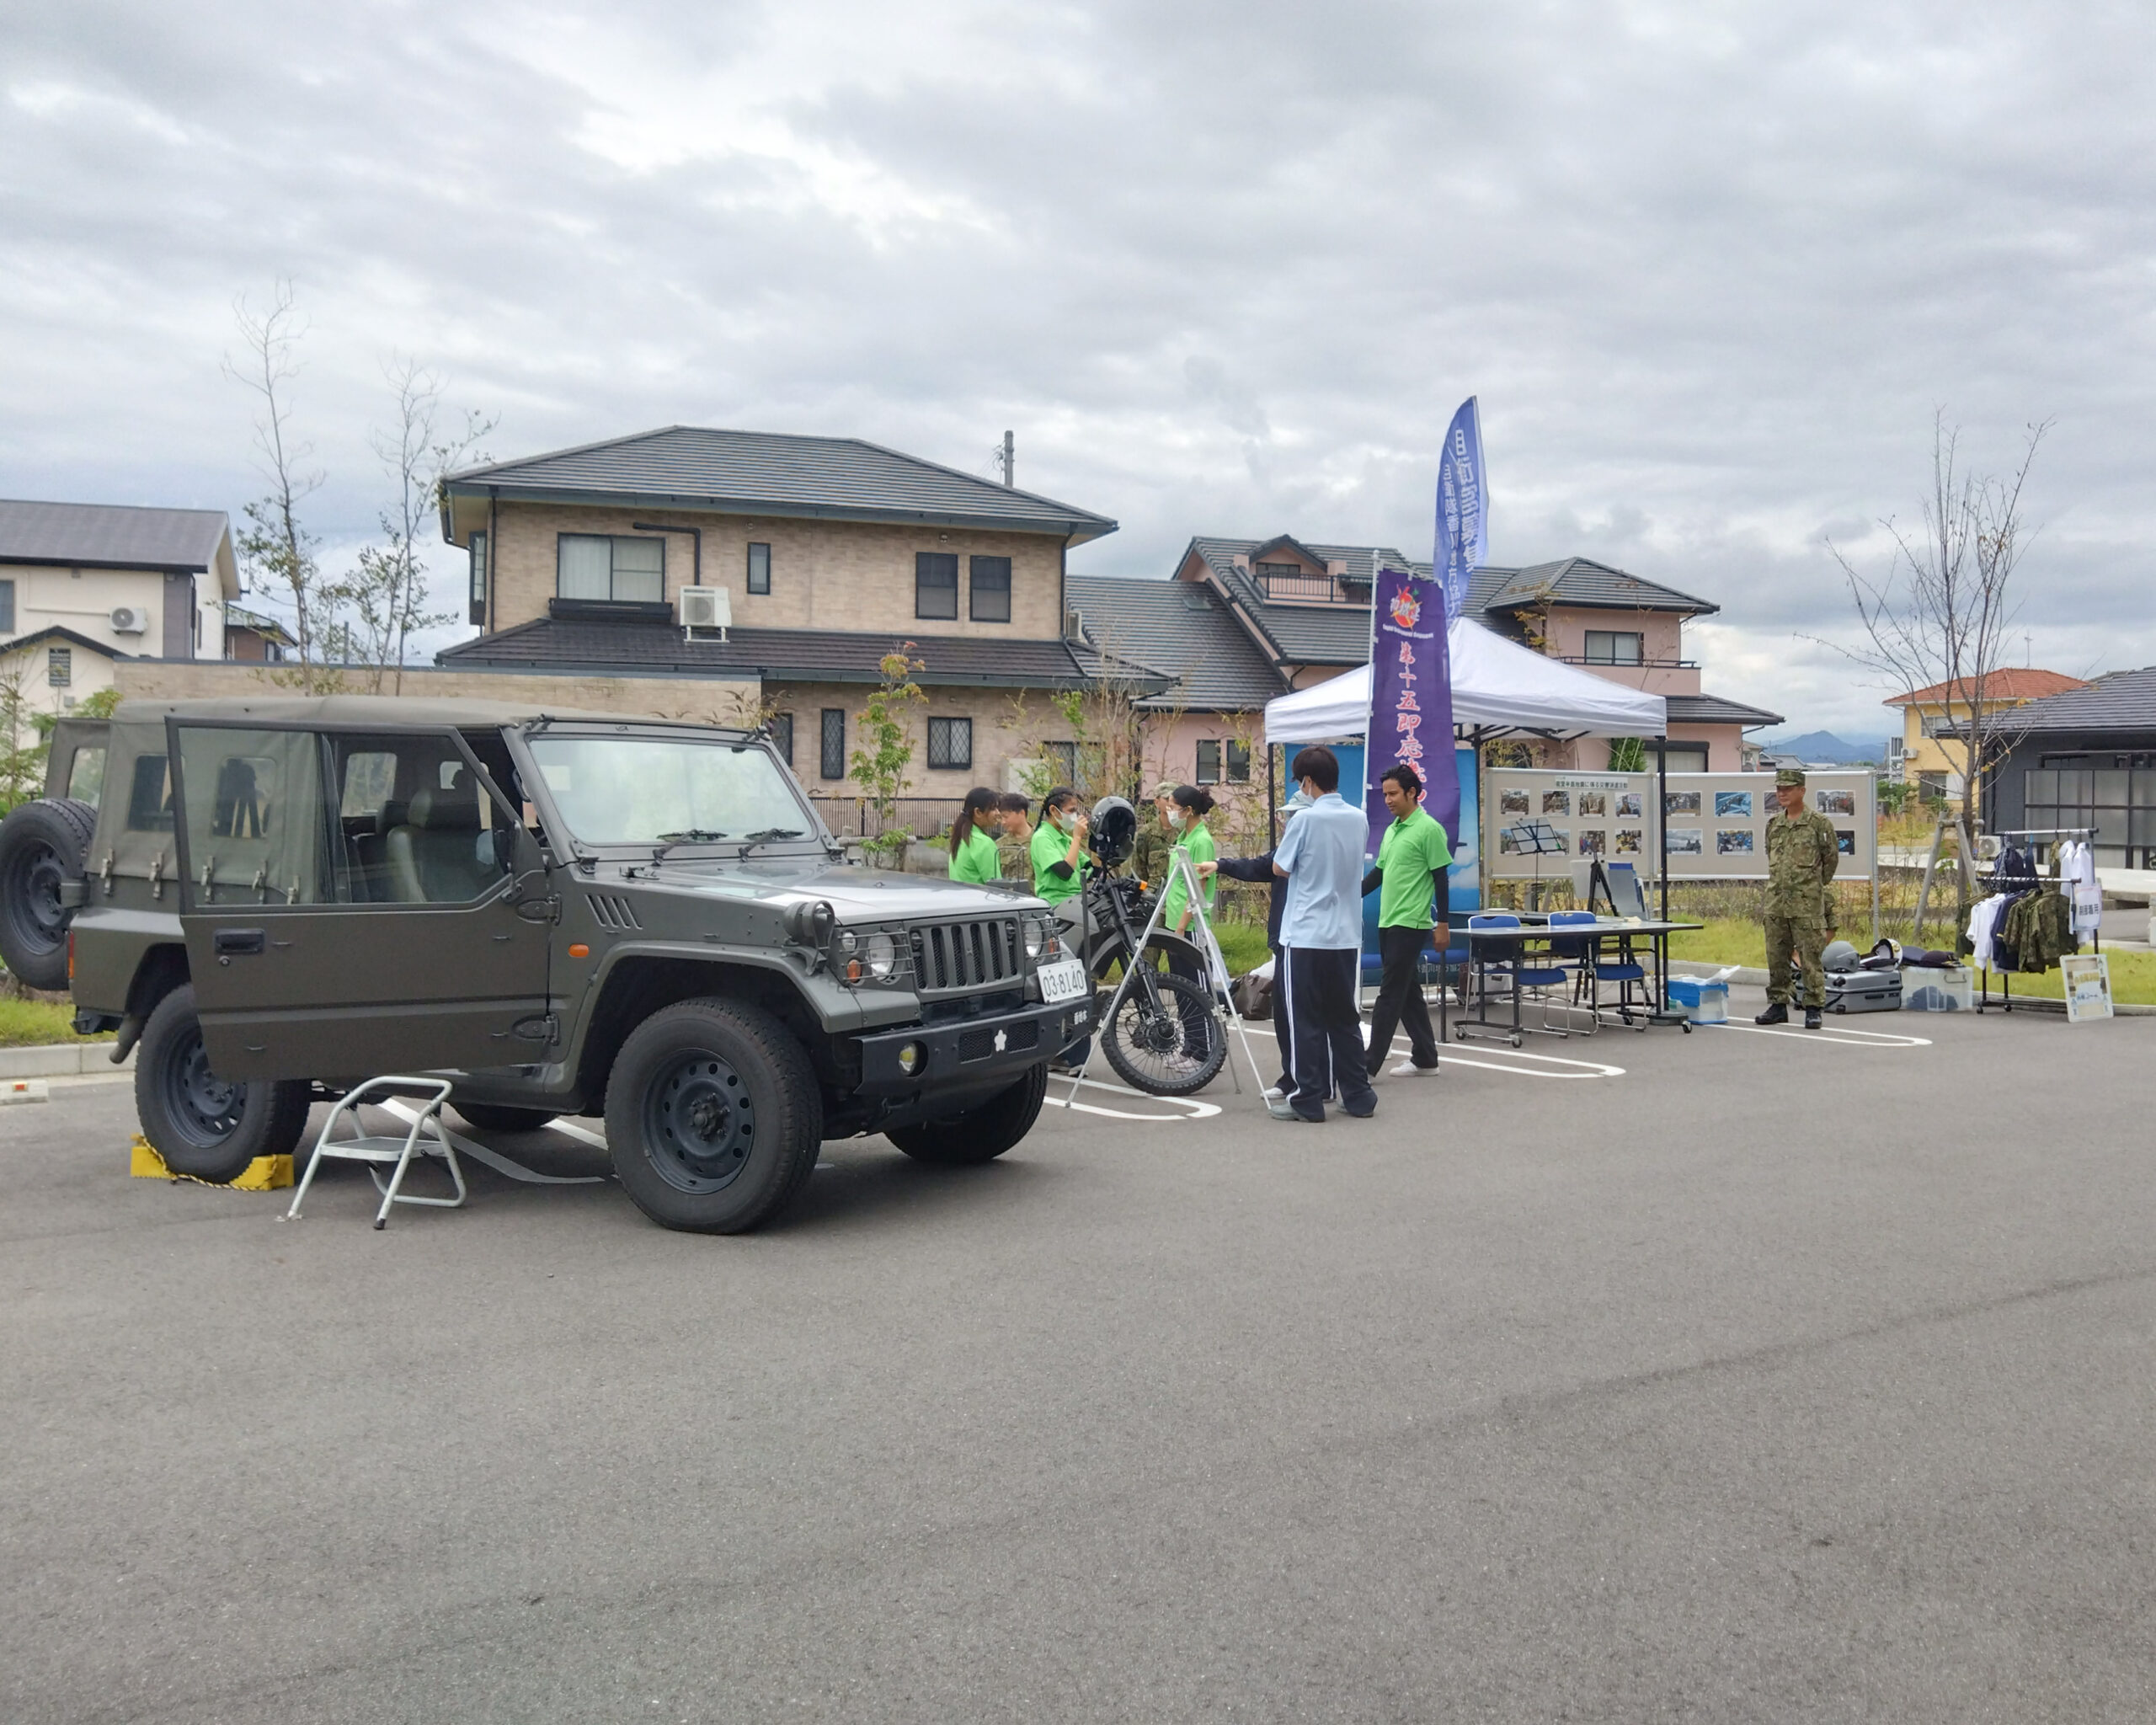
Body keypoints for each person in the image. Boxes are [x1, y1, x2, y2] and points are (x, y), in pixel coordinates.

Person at [1269, 745, 1375, 1124]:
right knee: (1344, 1018)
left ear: (1309, 782)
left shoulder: (1305, 820)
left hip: (1305, 935)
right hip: (1345, 934)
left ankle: (1307, 1099)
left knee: (1305, 1020)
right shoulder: (1359, 818)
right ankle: (1358, 1096)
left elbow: (1280, 867)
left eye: (1301, 782)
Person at [1207, 782, 1313, 1102]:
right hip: (1288, 940)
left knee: (1304, 1015)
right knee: (1286, 1014)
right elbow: (1261, 865)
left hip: (1307, 941)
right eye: (1288, 817)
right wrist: (1222, 865)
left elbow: (1268, 866)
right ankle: (1294, 1077)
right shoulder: (1289, 849)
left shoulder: (1314, 851)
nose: (1288, 822)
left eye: (1294, 817)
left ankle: (1309, 1081)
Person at [1361, 763, 1450, 1078]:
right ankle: (1426, 1057)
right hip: (1389, 920)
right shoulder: (1393, 829)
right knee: (1408, 991)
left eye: (1393, 794)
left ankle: (1367, 1066)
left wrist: (1443, 924)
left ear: (1412, 793)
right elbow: (1380, 873)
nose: (1387, 800)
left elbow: (1441, 878)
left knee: (1389, 994)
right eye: (1385, 794)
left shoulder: (1429, 829)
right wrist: (1349, 896)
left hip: (1411, 923)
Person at [1758, 766, 1838, 1028]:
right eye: (1779, 789)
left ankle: (1813, 1006)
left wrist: (1811, 887)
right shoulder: (1774, 825)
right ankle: (1778, 1004)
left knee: (1810, 957)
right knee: (1776, 956)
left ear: (1802, 791)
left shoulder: (1818, 824)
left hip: (1807, 904)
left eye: (1788, 789)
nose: (1782, 793)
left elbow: (1830, 861)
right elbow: (1770, 857)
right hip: (1776, 902)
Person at [1031, 786, 1092, 1073]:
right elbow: (1065, 871)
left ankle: (1066, 1052)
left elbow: (1087, 868)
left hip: (1076, 908)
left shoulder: (1064, 837)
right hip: (1057, 913)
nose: (1075, 817)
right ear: (1053, 811)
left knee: (1077, 979)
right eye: (1071, 811)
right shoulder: (1043, 838)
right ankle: (1073, 1054)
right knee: (1071, 980)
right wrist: (1077, 838)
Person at [1157, 785, 1218, 942]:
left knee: (1190, 966)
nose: (1169, 812)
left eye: (1173, 808)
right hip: (1174, 919)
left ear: (1188, 810)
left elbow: (1199, 887)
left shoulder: (1201, 841)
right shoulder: (1184, 836)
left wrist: (1181, 927)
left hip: (1190, 926)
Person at [947, 787, 1002, 884]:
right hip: (980, 899)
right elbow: (996, 886)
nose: (998, 813)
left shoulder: (960, 838)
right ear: (978, 812)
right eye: (993, 809)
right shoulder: (984, 843)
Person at [1131, 779, 1179, 884]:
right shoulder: (1147, 833)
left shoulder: (1184, 831)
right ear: (1157, 802)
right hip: (1154, 894)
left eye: (1175, 799)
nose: (1171, 803)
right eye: (1167, 799)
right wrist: (1143, 895)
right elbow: (1139, 871)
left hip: (1179, 894)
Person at [994, 791, 1033, 881]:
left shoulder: (1040, 840)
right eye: (1001, 818)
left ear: (1021, 813)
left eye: (1006, 817)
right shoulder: (999, 845)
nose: (1003, 822)